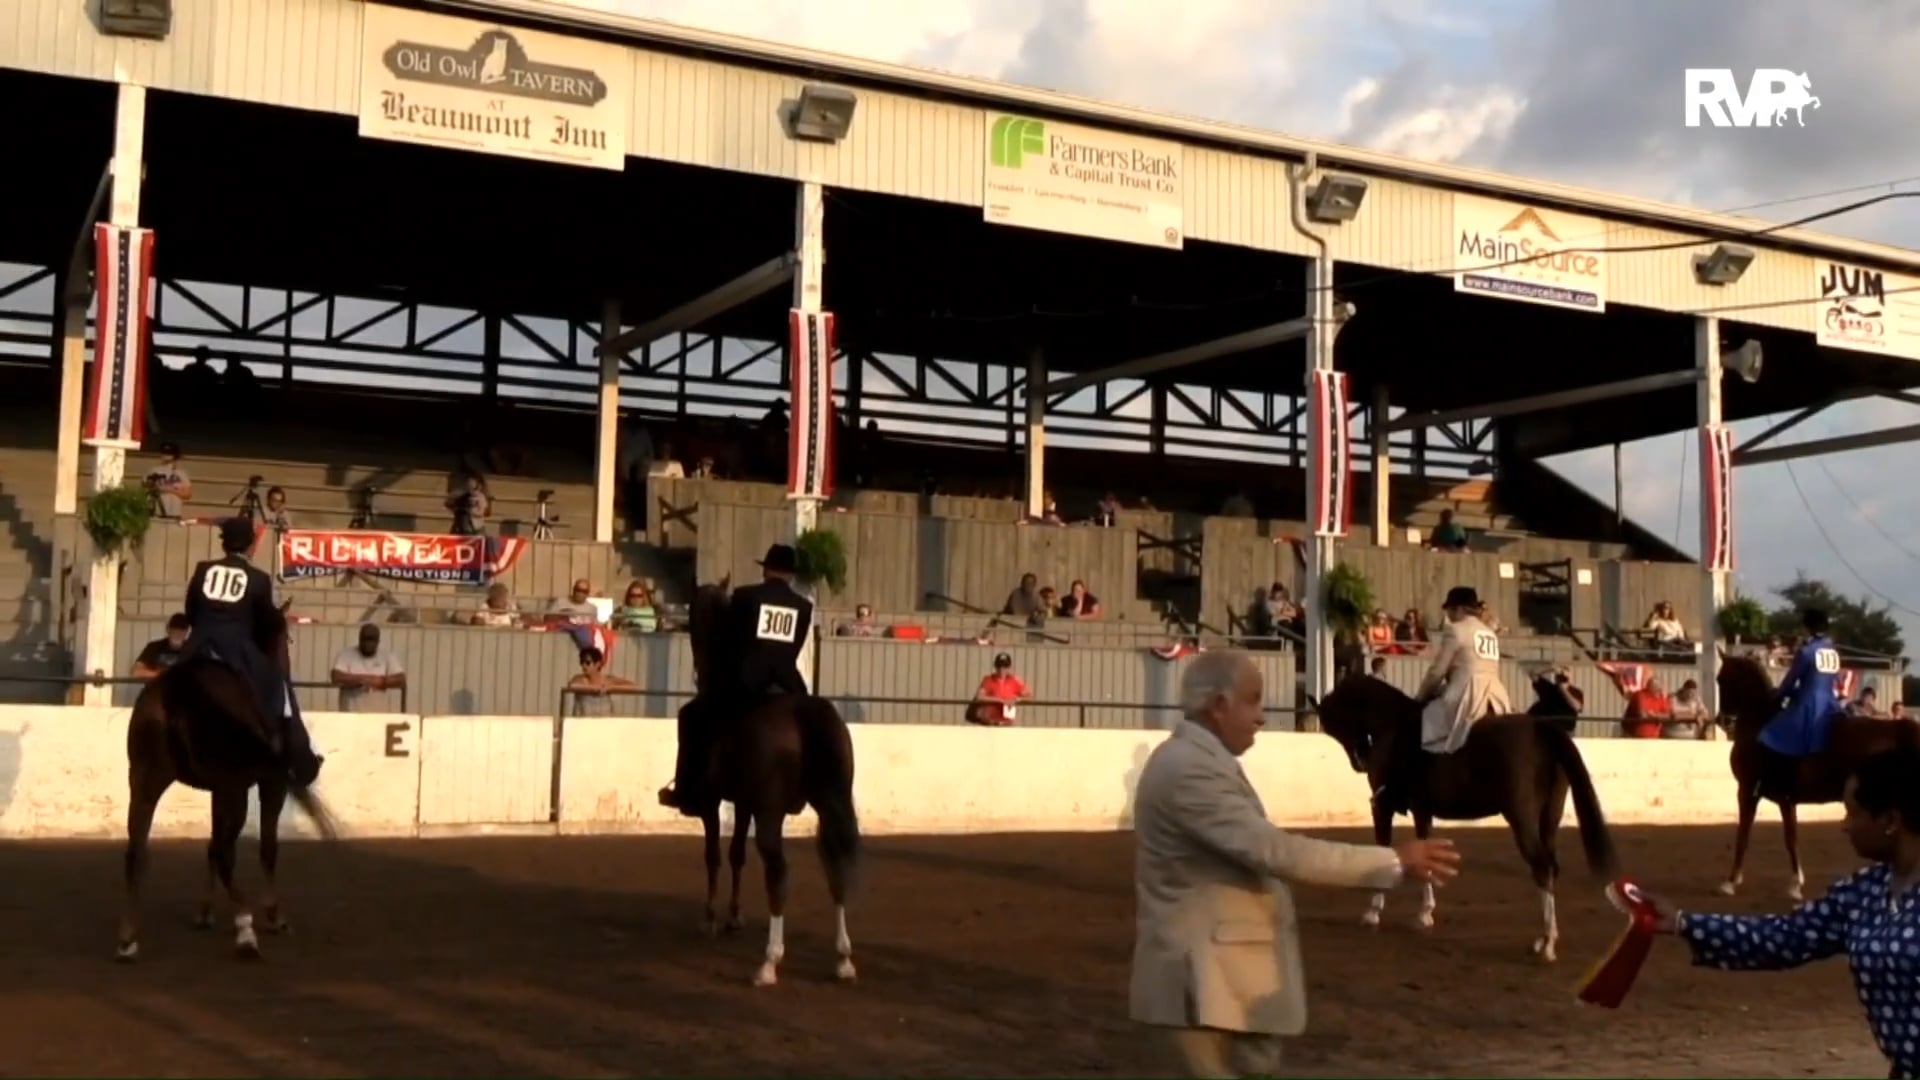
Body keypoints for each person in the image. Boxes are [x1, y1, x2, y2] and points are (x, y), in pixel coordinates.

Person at [1130, 650, 1462, 1078]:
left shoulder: (1196, 763)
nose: (1262, 716)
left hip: (1219, 992)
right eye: (1253, 701)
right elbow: (1274, 851)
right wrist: (1393, 862)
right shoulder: (1190, 769)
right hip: (1203, 992)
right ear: (1218, 705)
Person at [1636, 745, 1920, 1080]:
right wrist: (1684, 922)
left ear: (1890, 820)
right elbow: (1784, 936)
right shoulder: (1862, 893)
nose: (1845, 826)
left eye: (1853, 813)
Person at [658, 542, 814, 815]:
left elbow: (732, 640)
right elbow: (794, 647)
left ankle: (685, 789)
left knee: (692, 717)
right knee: (810, 728)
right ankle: (804, 787)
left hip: (747, 680)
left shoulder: (746, 596)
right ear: (790, 574)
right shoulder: (802, 606)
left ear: (766, 570)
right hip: (788, 682)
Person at [182, 517, 322, 786]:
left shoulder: (202, 570)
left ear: (224, 545)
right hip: (236, 651)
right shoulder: (258, 579)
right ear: (250, 546)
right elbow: (266, 623)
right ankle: (292, 752)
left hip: (196, 648)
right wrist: (277, 619)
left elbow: (191, 611)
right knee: (279, 686)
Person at [1758, 609, 1844, 798]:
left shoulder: (1806, 651)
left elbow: (1791, 680)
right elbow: (1832, 679)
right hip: (1830, 702)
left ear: (1808, 627)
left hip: (1809, 703)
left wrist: (1779, 695)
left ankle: (1771, 783)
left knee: (1769, 733)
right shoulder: (1833, 651)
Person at [1416, 586, 1512, 754]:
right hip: (1497, 696)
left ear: (1460, 609)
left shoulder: (1455, 630)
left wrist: (1420, 697)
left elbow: (1437, 672)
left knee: (1424, 722)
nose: (1449, 616)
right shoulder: (1489, 633)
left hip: (1467, 696)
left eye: (1450, 611)